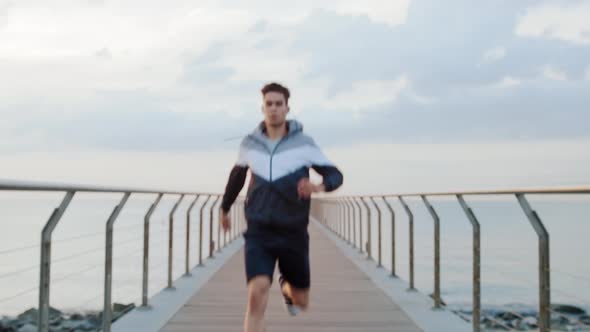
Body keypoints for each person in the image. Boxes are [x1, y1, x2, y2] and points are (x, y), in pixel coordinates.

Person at [219, 82, 343, 332]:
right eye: (269, 104)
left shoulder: (304, 144)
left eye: (279, 104)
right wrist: (224, 208)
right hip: (259, 230)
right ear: (262, 108)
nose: (274, 108)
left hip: (293, 232)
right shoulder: (250, 143)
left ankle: (287, 289)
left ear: (287, 108)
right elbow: (237, 177)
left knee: (301, 300)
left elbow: (335, 175)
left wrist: (317, 187)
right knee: (256, 294)